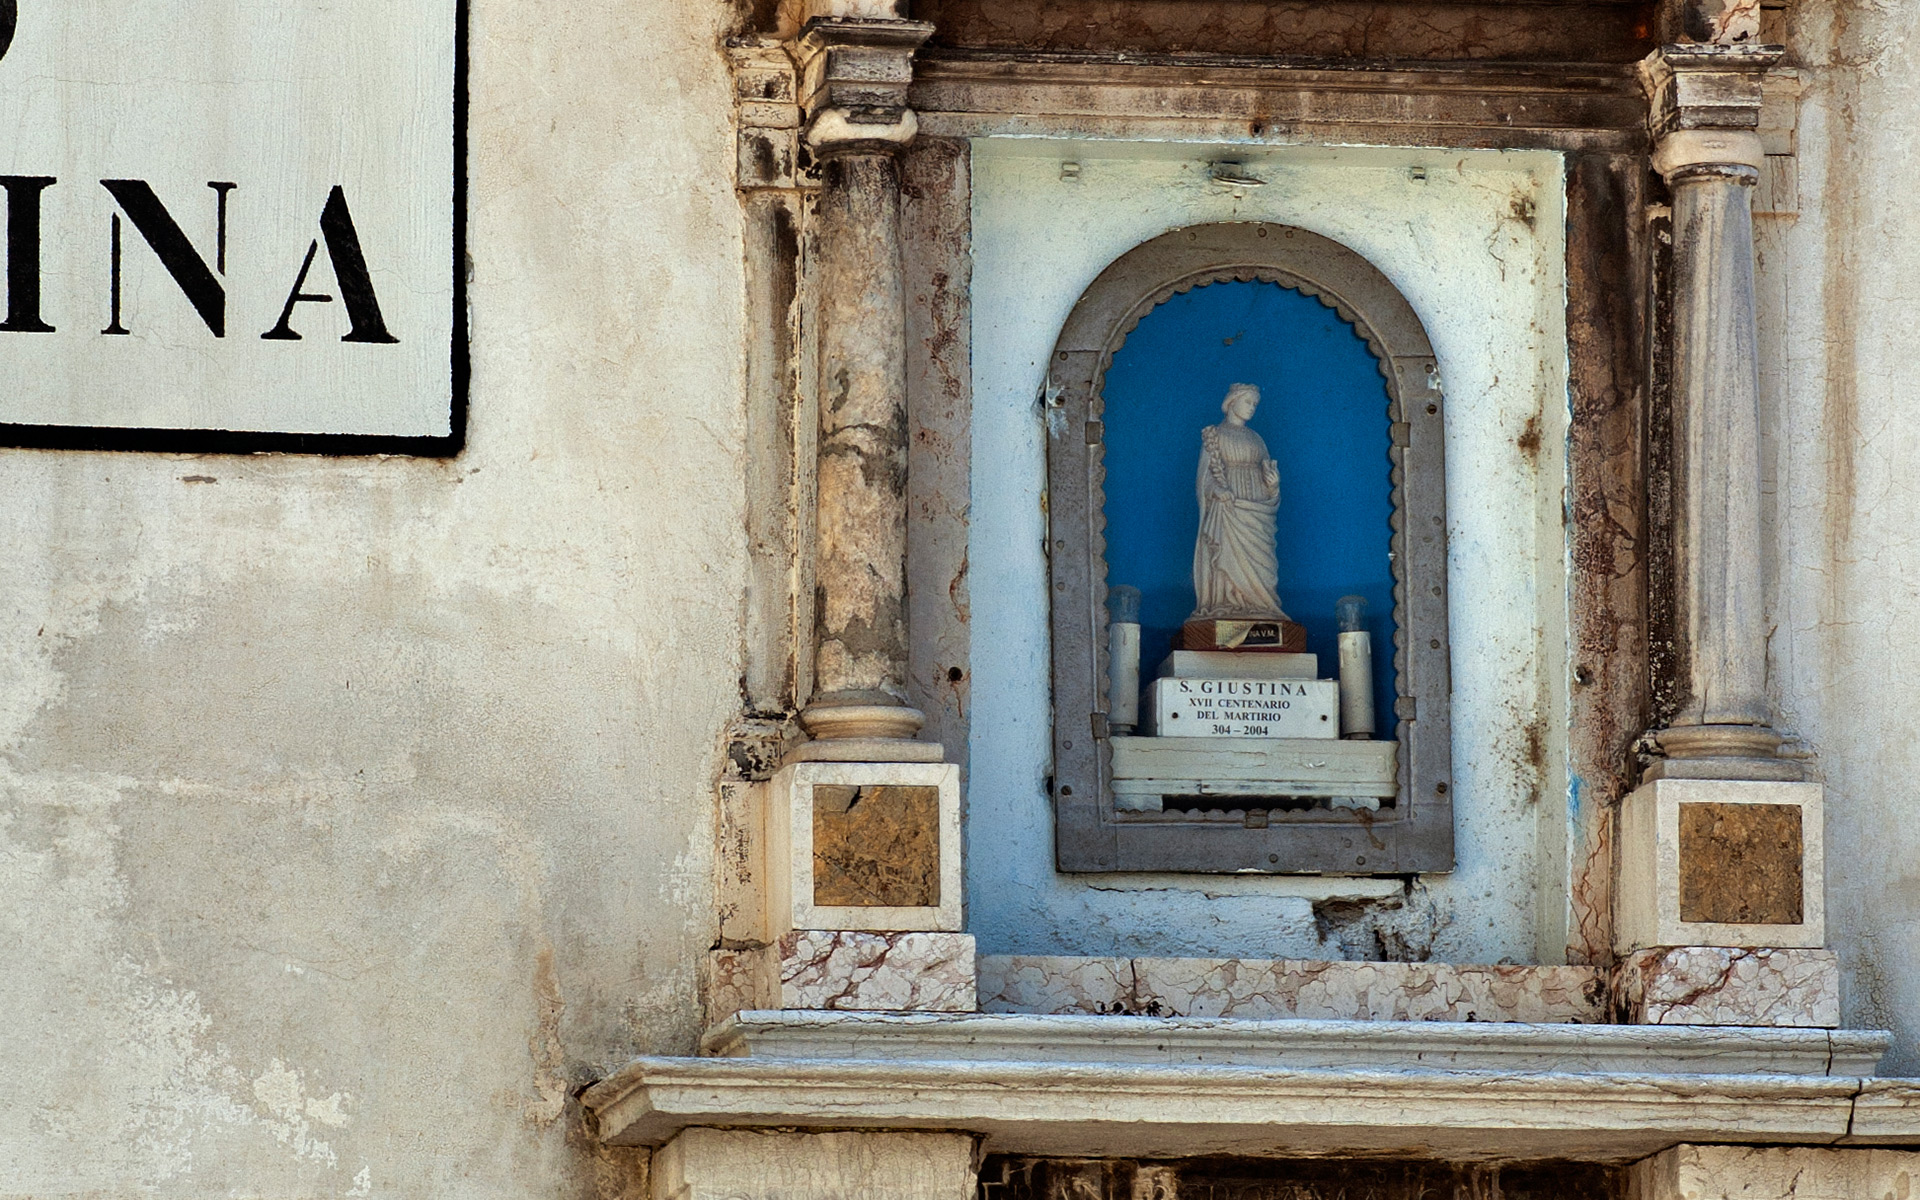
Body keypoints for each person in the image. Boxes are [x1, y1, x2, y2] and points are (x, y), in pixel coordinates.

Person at [1191, 382, 1288, 620]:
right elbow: (1203, 479)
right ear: (1232, 401)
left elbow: (1268, 478)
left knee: (1264, 566)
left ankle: (1260, 607)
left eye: (1256, 404)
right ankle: (1228, 604)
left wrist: (1273, 484)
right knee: (1226, 558)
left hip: (1256, 510)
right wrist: (1218, 489)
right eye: (1248, 402)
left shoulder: (1257, 439)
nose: (1252, 408)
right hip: (1228, 509)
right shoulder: (1215, 436)